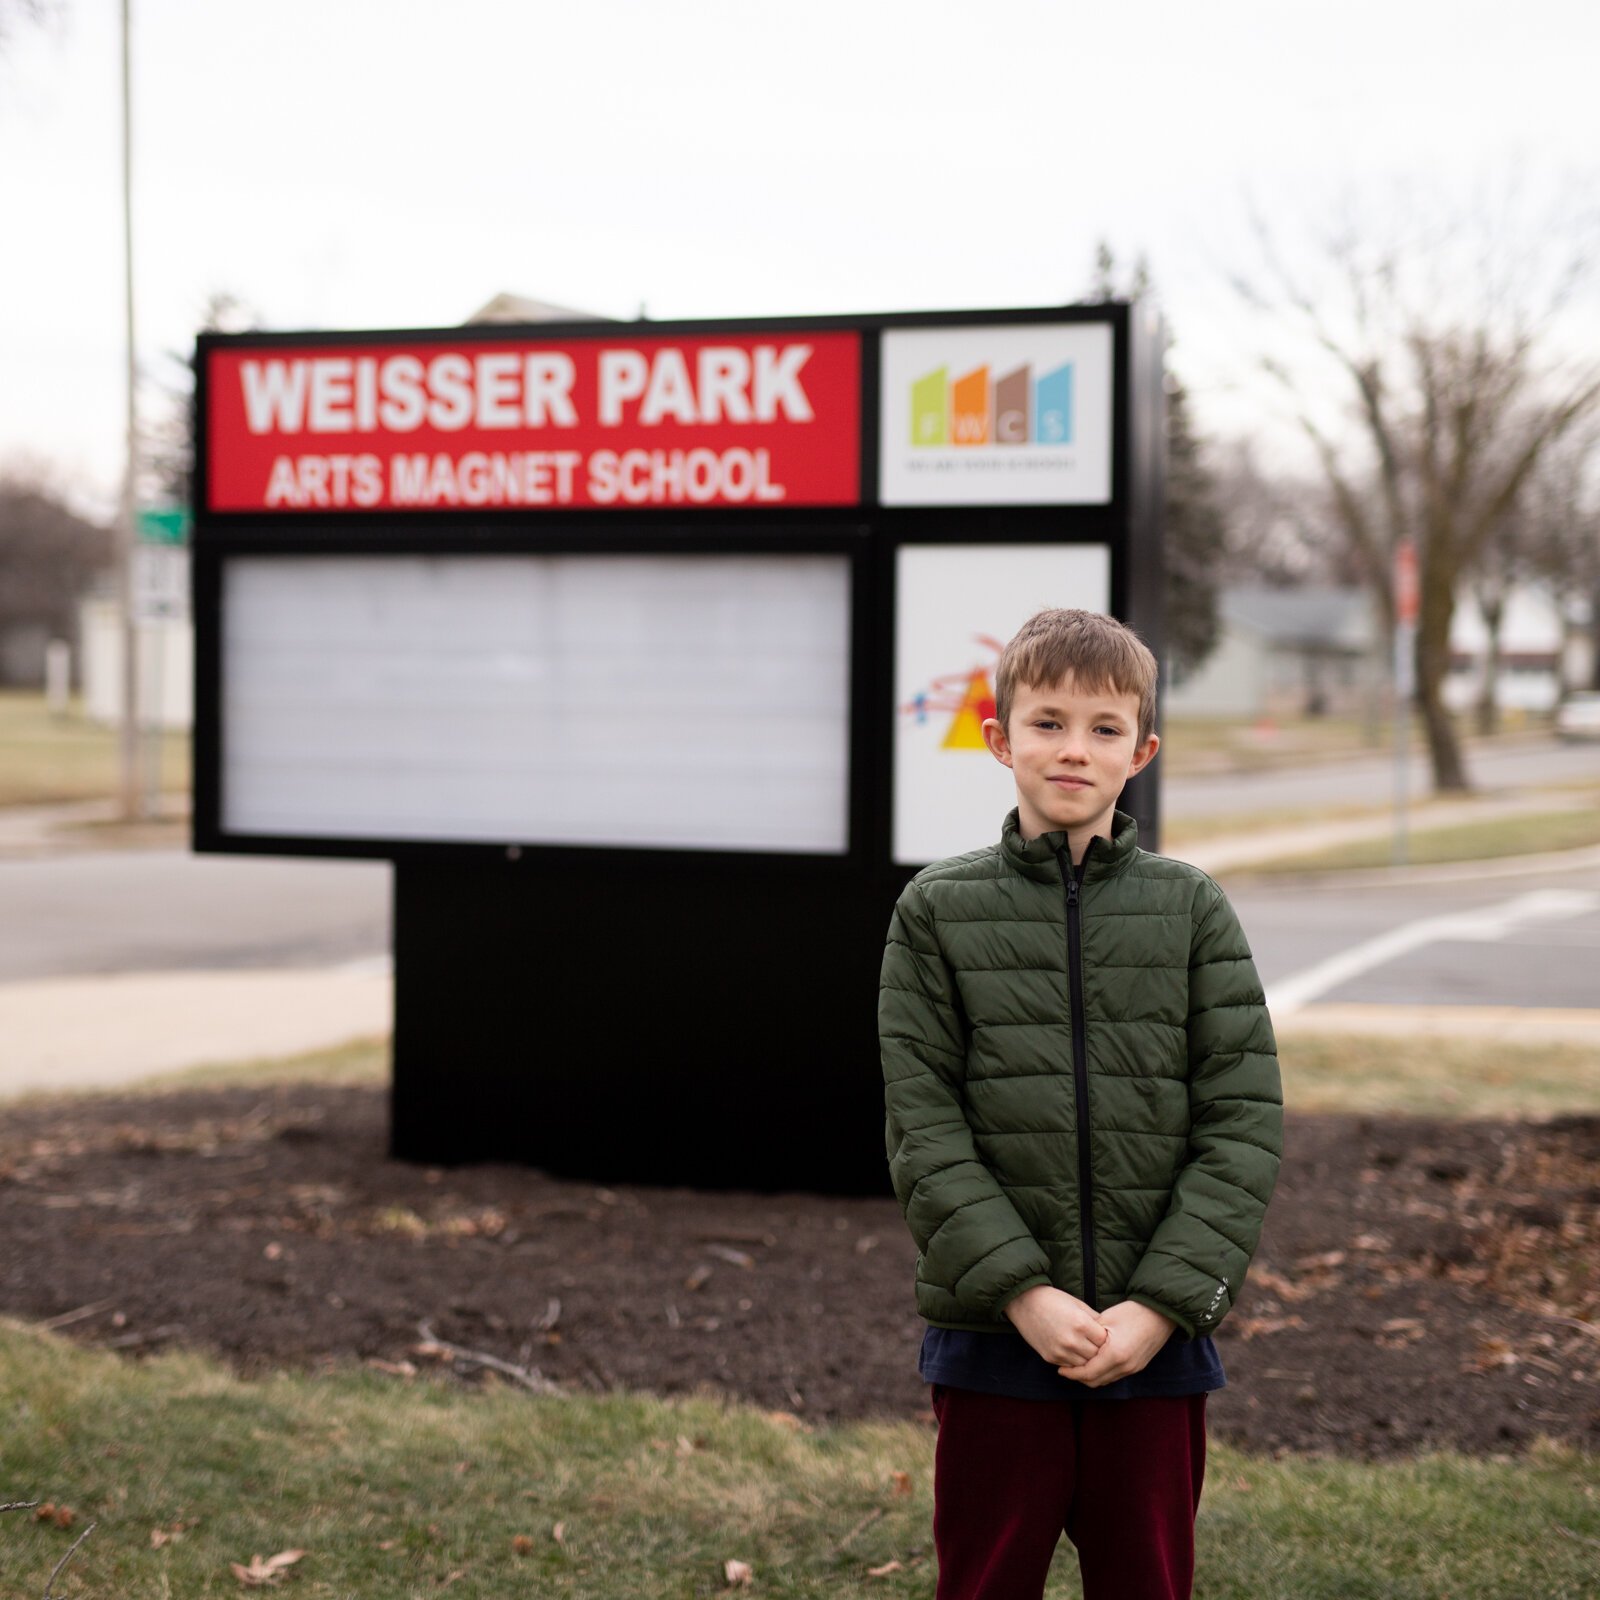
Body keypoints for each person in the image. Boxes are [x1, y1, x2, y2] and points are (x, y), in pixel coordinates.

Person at [879, 607, 1282, 1600]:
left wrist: (1157, 1307)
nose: (1072, 748)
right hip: (992, 1340)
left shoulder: (1190, 908)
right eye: (1048, 721)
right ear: (997, 736)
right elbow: (923, 1128)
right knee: (983, 1579)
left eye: (1103, 728)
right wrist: (1023, 1292)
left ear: (1141, 749)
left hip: (1152, 1345)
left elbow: (1241, 1122)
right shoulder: (936, 910)